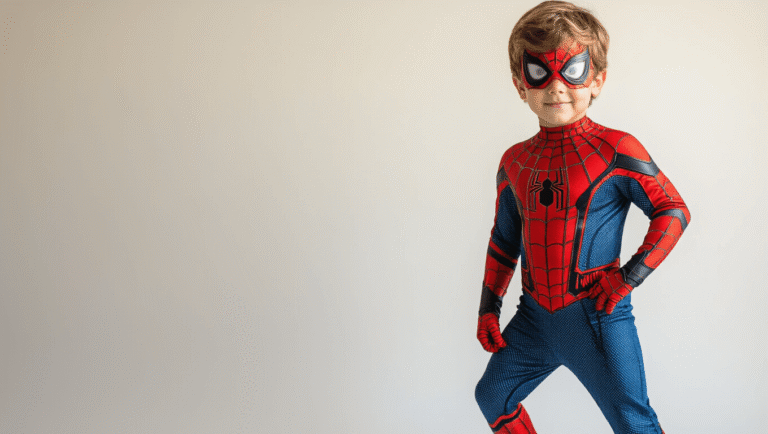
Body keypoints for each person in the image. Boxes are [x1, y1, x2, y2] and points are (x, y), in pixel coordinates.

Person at [473, 2, 690, 433]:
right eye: (539, 73)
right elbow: (504, 238)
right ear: (520, 84)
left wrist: (627, 278)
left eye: (571, 70)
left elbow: (673, 210)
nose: (556, 87)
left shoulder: (617, 148)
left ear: (597, 80)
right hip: (533, 317)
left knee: (634, 421)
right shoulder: (514, 162)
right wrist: (487, 307)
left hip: (598, 315)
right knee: (493, 395)